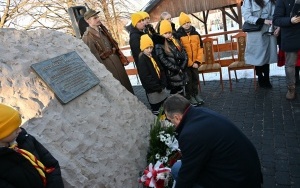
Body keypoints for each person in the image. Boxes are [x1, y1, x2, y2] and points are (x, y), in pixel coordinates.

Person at [163, 94, 263, 188]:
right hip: (247, 171)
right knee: (177, 167)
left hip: (237, 181)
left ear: (177, 117)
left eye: (170, 120)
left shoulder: (190, 134)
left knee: (177, 170)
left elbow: (187, 176)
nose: (171, 124)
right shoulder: (199, 113)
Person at [0, 104, 64, 188]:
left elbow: (51, 164)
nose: (19, 130)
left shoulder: (24, 139)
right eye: (14, 129)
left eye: (18, 126)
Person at [82, 9, 134, 94]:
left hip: (117, 63)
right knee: (117, 92)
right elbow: (94, 59)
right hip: (107, 68)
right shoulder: (87, 37)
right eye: (95, 18)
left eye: (98, 17)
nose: (98, 19)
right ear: (88, 21)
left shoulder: (103, 32)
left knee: (127, 88)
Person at [242, 0, 279, 88]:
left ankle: (266, 78)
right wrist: (263, 21)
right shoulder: (249, 1)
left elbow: (276, 15)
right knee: (257, 56)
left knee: (267, 55)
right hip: (256, 32)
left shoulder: (272, 1)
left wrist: (277, 27)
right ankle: (260, 76)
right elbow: (247, 16)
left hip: (269, 31)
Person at [273, 0, 300, 99]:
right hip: (290, 37)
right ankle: (291, 89)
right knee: (290, 65)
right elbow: (276, 19)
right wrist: (290, 20)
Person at [177, 12, 204, 106]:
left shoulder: (196, 34)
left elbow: (200, 48)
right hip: (186, 64)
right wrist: (190, 63)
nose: (187, 24)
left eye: (188, 22)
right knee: (188, 80)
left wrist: (197, 61)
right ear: (181, 24)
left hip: (195, 63)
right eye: (184, 23)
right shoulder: (179, 35)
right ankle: (190, 96)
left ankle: (196, 94)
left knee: (195, 79)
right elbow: (181, 51)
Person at [138, 34, 168, 115]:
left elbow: (161, 69)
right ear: (142, 48)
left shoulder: (153, 56)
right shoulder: (142, 60)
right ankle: (160, 125)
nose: (149, 50)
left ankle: (166, 122)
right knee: (157, 110)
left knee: (164, 107)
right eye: (147, 48)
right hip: (153, 90)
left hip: (160, 86)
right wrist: (157, 87)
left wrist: (163, 82)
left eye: (151, 47)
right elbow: (146, 78)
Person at [155, 20, 188, 95]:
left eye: (169, 32)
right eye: (165, 33)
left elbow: (184, 53)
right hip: (171, 74)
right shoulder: (159, 45)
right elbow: (163, 60)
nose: (168, 35)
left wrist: (182, 66)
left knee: (182, 92)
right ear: (161, 33)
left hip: (180, 71)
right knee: (175, 95)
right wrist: (177, 69)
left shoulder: (175, 41)